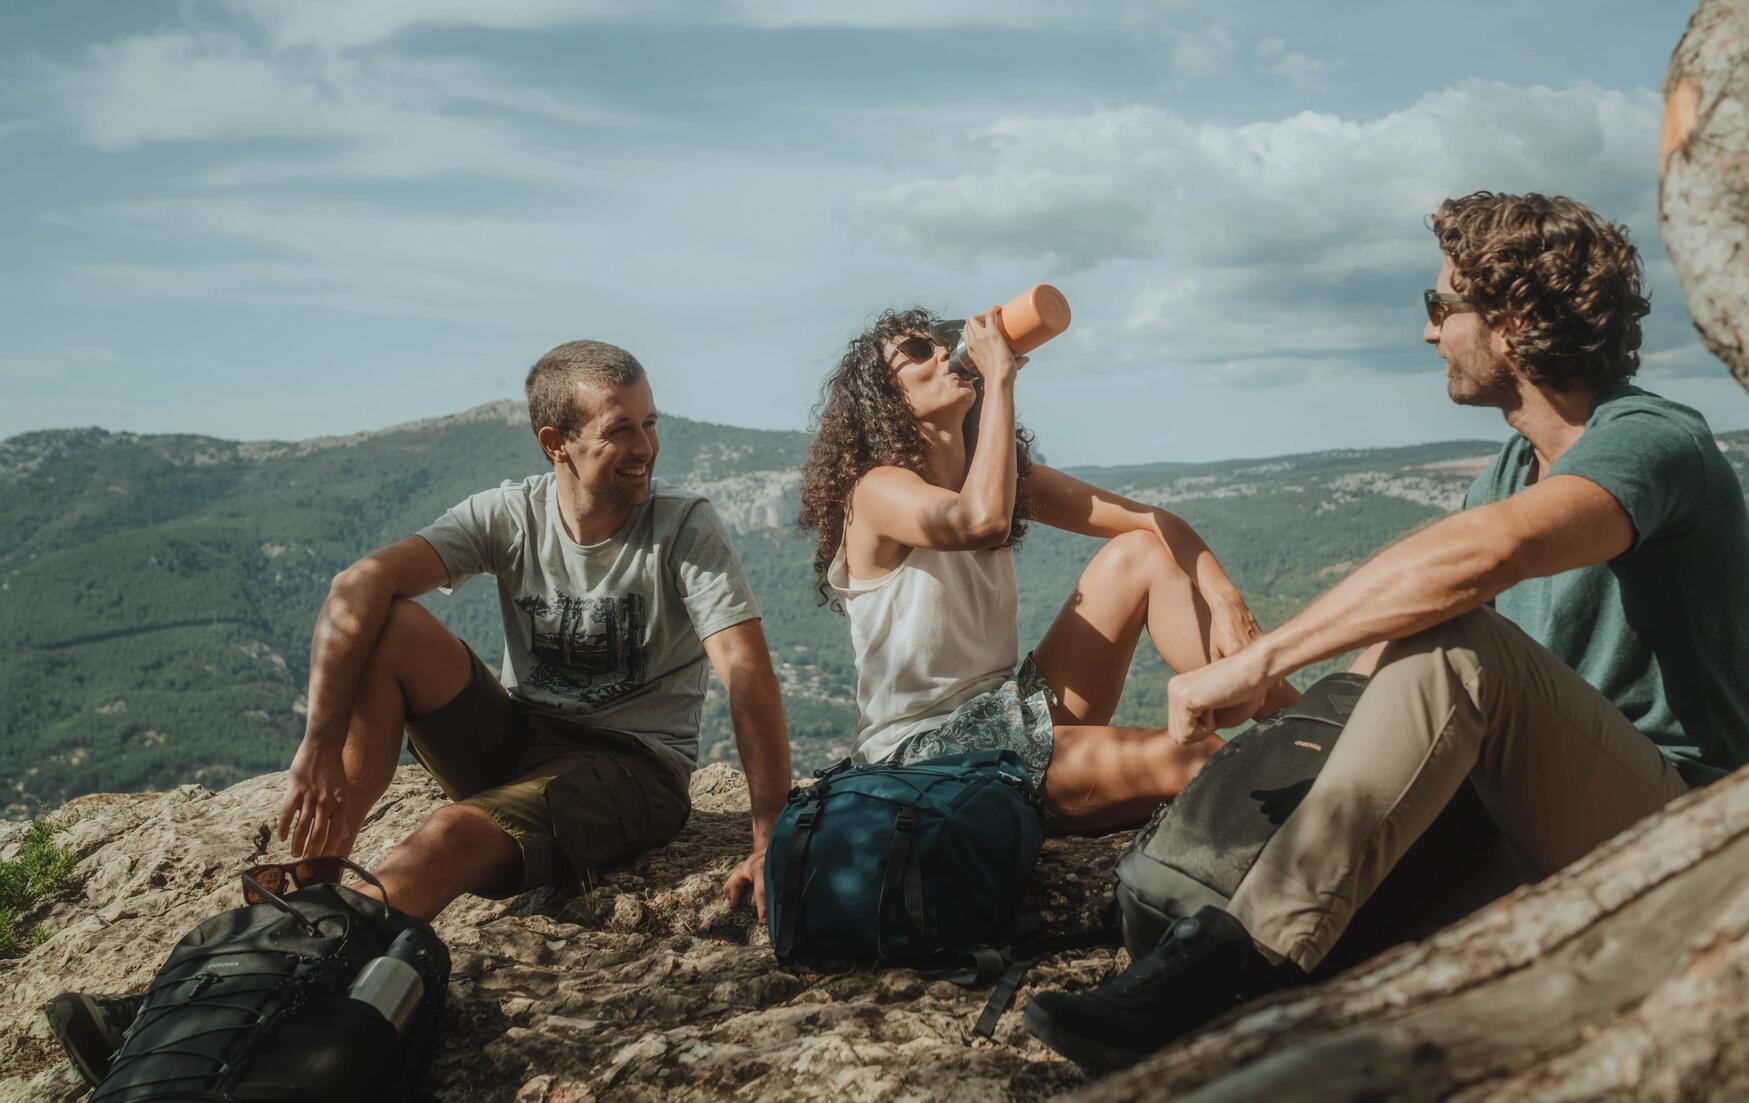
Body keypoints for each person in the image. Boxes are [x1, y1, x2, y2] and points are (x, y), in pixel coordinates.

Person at [1022, 192, 1749, 1070]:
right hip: (1531, 819)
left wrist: (1259, 660)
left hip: (1685, 833)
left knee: (1462, 641)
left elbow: (1482, 559)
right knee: (1349, 964)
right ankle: (1230, 999)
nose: (1427, 331)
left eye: (1440, 304)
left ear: (1514, 321)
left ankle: (1235, 963)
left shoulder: (1653, 441)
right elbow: (1402, 644)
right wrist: (1291, 723)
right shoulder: (1512, 465)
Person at [46, 340, 792, 1085]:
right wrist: (318, 744)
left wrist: (768, 836)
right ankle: (315, 885)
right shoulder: (514, 513)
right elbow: (357, 585)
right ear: (555, 443)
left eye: (650, 423)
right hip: (523, 740)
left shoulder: (681, 526)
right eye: (620, 429)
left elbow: (746, 673)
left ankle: (195, 1014)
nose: (646, 447)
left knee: (446, 834)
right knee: (391, 623)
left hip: (630, 768)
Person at [797, 306, 1270, 831]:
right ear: (884, 396)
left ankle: (1302, 726)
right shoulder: (876, 489)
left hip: (1008, 710)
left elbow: (1156, 523)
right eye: (916, 350)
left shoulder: (998, 477)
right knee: (1202, 759)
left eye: (941, 341)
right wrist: (1000, 378)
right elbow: (980, 522)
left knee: (1141, 553)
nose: (942, 351)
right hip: (927, 754)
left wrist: (1226, 602)